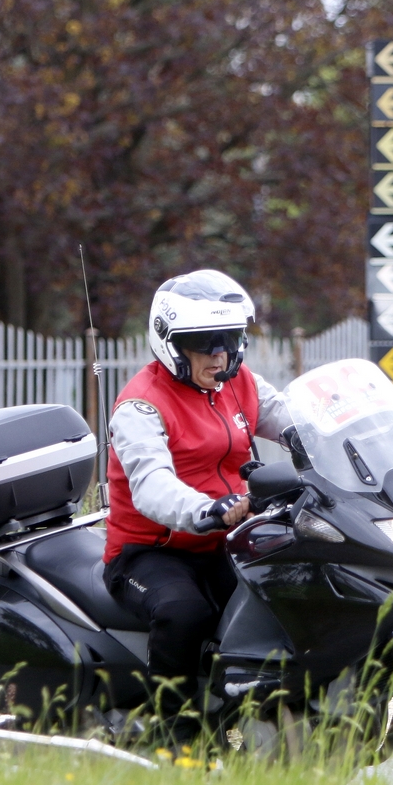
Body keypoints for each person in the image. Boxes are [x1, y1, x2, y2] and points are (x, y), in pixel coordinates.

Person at [103, 269, 291, 709]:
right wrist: (208, 509)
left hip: (224, 539)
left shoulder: (238, 383)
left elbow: (295, 419)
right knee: (185, 611)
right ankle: (174, 729)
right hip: (150, 551)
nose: (219, 355)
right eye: (205, 342)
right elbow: (151, 485)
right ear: (171, 343)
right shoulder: (141, 405)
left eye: (229, 340)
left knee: (285, 588)